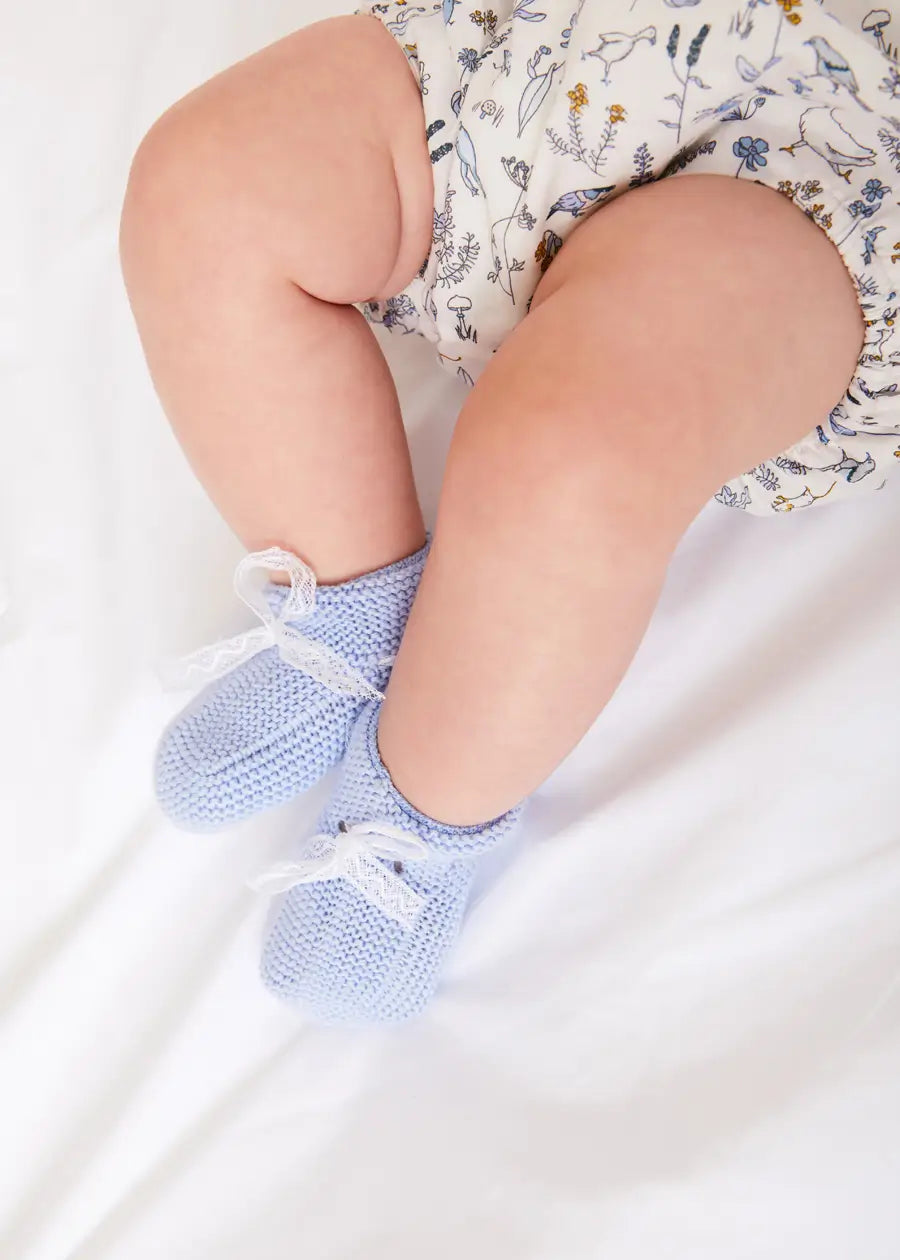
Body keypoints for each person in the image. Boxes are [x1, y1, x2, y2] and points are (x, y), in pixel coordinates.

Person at [119, 0, 897, 1022]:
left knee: (571, 453)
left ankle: (422, 807)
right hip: (543, 49)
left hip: (830, 150)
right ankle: (354, 608)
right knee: (205, 184)